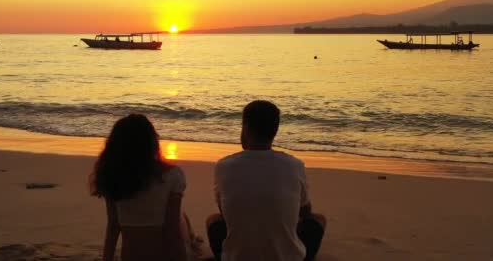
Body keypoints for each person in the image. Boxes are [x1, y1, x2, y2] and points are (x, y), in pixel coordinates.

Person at [207, 100, 326, 261]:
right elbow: (305, 211)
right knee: (318, 220)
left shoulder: (224, 166)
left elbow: (225, 213)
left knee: (213, 220)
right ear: (275, 130)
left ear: (246, 128)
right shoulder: (294, 165)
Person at [90, 114, 199, 261]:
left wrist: (107, 258)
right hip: (163, 256)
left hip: (130, 257)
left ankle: (193, 241)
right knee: (181, 217)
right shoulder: (172, 175)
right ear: (151, 142)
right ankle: (193, 242)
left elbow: (113, 226)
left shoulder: (111, 175)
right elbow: (172, 231)